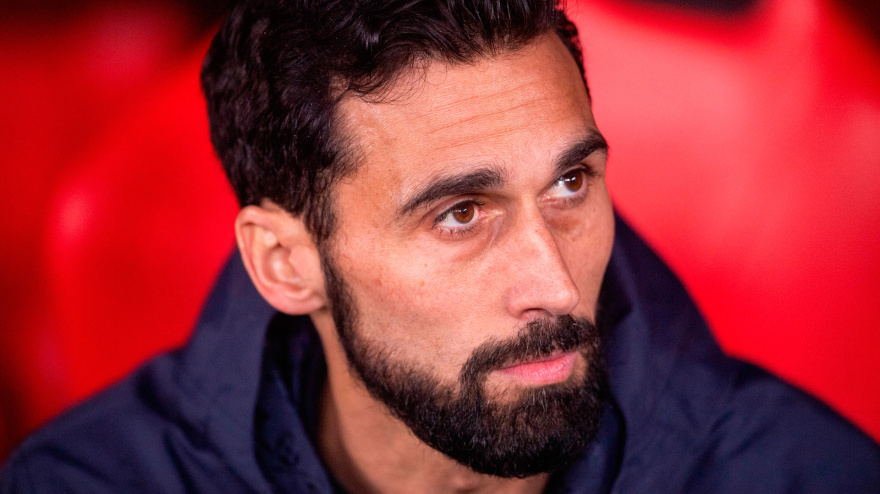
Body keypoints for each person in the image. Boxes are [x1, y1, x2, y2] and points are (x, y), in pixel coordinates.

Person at [2, 0, 879, 492]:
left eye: (571, 184)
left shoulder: (807, 478)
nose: (556, 284)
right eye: (460, 214)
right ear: (285, 263)